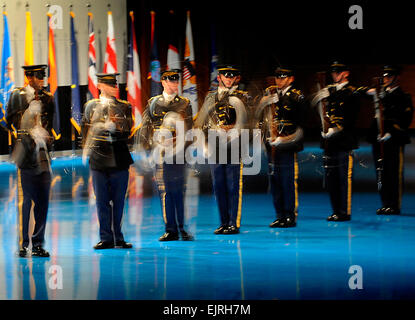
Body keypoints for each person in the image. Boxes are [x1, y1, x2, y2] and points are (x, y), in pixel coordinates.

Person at [139, 69, 194, 241]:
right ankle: (170, 229)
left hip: (179, 154)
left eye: (176, 82)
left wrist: (180, 144)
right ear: (163, 82)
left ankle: (182, 227)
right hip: (161, 153)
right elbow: (145, 128)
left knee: (181, 191)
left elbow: (191, 130)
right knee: (166, 192)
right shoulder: (153, 103)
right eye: (171, 81)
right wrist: (151, 147)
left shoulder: (185, 103)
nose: (174, 85)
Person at [5, 64, 54, 257]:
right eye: (38, 77)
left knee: (43, 201)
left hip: (43, 154)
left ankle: (39, 243)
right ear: (28, 77)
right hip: (25, 154)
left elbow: (52, 124)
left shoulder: (48, 98)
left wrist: (46, 136)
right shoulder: (17, 95)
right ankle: (24, 244)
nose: (42, 80)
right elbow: (7, 121)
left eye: (43, 76)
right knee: (26, 202)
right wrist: (24, 118)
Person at [195, 64, 249, 234]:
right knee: (218, 186)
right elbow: (202, 122)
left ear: (236, 79)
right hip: (215, 145)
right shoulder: (210, 97)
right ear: (219, 78)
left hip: (234, 145)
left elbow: (246, 121)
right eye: (226, 76)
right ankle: (223, 222)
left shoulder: (242, 97)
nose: (229, 79)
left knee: (233, 185)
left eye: (232, 77)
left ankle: (233, 222)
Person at [82, 73, 134, 249]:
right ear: (100, 86)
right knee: (102, 200)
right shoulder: (90, 106)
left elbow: (129, 132)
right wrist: (87, 151)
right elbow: (84, 130)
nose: (114, 88)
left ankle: (118, 237)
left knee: (119, 200)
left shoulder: (124, 106)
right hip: (98, 160)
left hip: (119, 159)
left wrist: (117, 128)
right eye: (110, 85)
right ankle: (105, 237)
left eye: (115, 85)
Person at [312, 61, 363, 222]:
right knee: (332, 179)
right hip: (330, 142)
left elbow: (351, 117)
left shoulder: (352, 93)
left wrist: (335, 129)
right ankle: (335, 210)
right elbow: (322, 112)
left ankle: (344, 211)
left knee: (343, 178)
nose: (335, 75)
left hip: (343, 141)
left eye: (338, 72)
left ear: (346, 73)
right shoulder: (330, 91)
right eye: (333, 72)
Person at [257, 66, 306, 228]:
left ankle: (290, 215)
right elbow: (262, 119)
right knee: (275, 182)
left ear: (291, 79)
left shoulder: (296, 97)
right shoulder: (270, 95)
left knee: (287, 182)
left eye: (283, 77)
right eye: (277, 77)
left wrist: (284, 140)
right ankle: (279, 215)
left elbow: (300, 124)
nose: (279, 81)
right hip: (272, 146)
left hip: (287, 147)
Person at [367, 65, 413, 215]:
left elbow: (404, 120)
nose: (385, 79)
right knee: (381, 172)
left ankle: (394, 204)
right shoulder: (381, 96)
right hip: (379, 140)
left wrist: (390, 133)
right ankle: (385, 203)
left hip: (393, 140)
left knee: (393, 173)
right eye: (384, 76)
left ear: (396, 78)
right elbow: (377, 117)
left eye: (389, 76)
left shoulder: (403, 97)